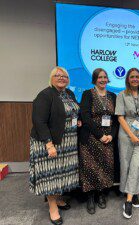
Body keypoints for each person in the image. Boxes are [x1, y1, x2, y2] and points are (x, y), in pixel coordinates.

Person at [29, 66, 81, 225]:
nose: (61, 78)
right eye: (57, 75)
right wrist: (49, 144)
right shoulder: (45, 95)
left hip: (67, 143)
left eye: (64, 76)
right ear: (51, 78)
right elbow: (39, 122)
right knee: (51, 175)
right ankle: (52, 208)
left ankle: (57, 198)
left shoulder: (69, 93)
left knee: (61, 173)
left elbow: (71, 111)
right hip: (50, 142)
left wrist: (77, 120)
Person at [79, 68, 118, 214]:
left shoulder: (113, 96)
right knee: (89, 167)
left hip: (108, 138)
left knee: (104, 165)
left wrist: (111, 136)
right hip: (91, 137)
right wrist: (100, 134)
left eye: (105, 77)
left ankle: (101, 194)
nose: (103, 80)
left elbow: (115, 119)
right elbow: (85, 117)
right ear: (95, 79)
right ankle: (90, 197)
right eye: (99, 77)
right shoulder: (87, 94)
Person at [115, 68, 139, 219]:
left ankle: (128, 201)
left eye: (137, 76)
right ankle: (133, 192)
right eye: (132, 77)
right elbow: (120, 118)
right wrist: (131, 135)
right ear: (128, 79)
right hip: (126, 134)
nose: (135, 79)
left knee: (137, 165)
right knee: (126, 165)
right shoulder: (121, 95)